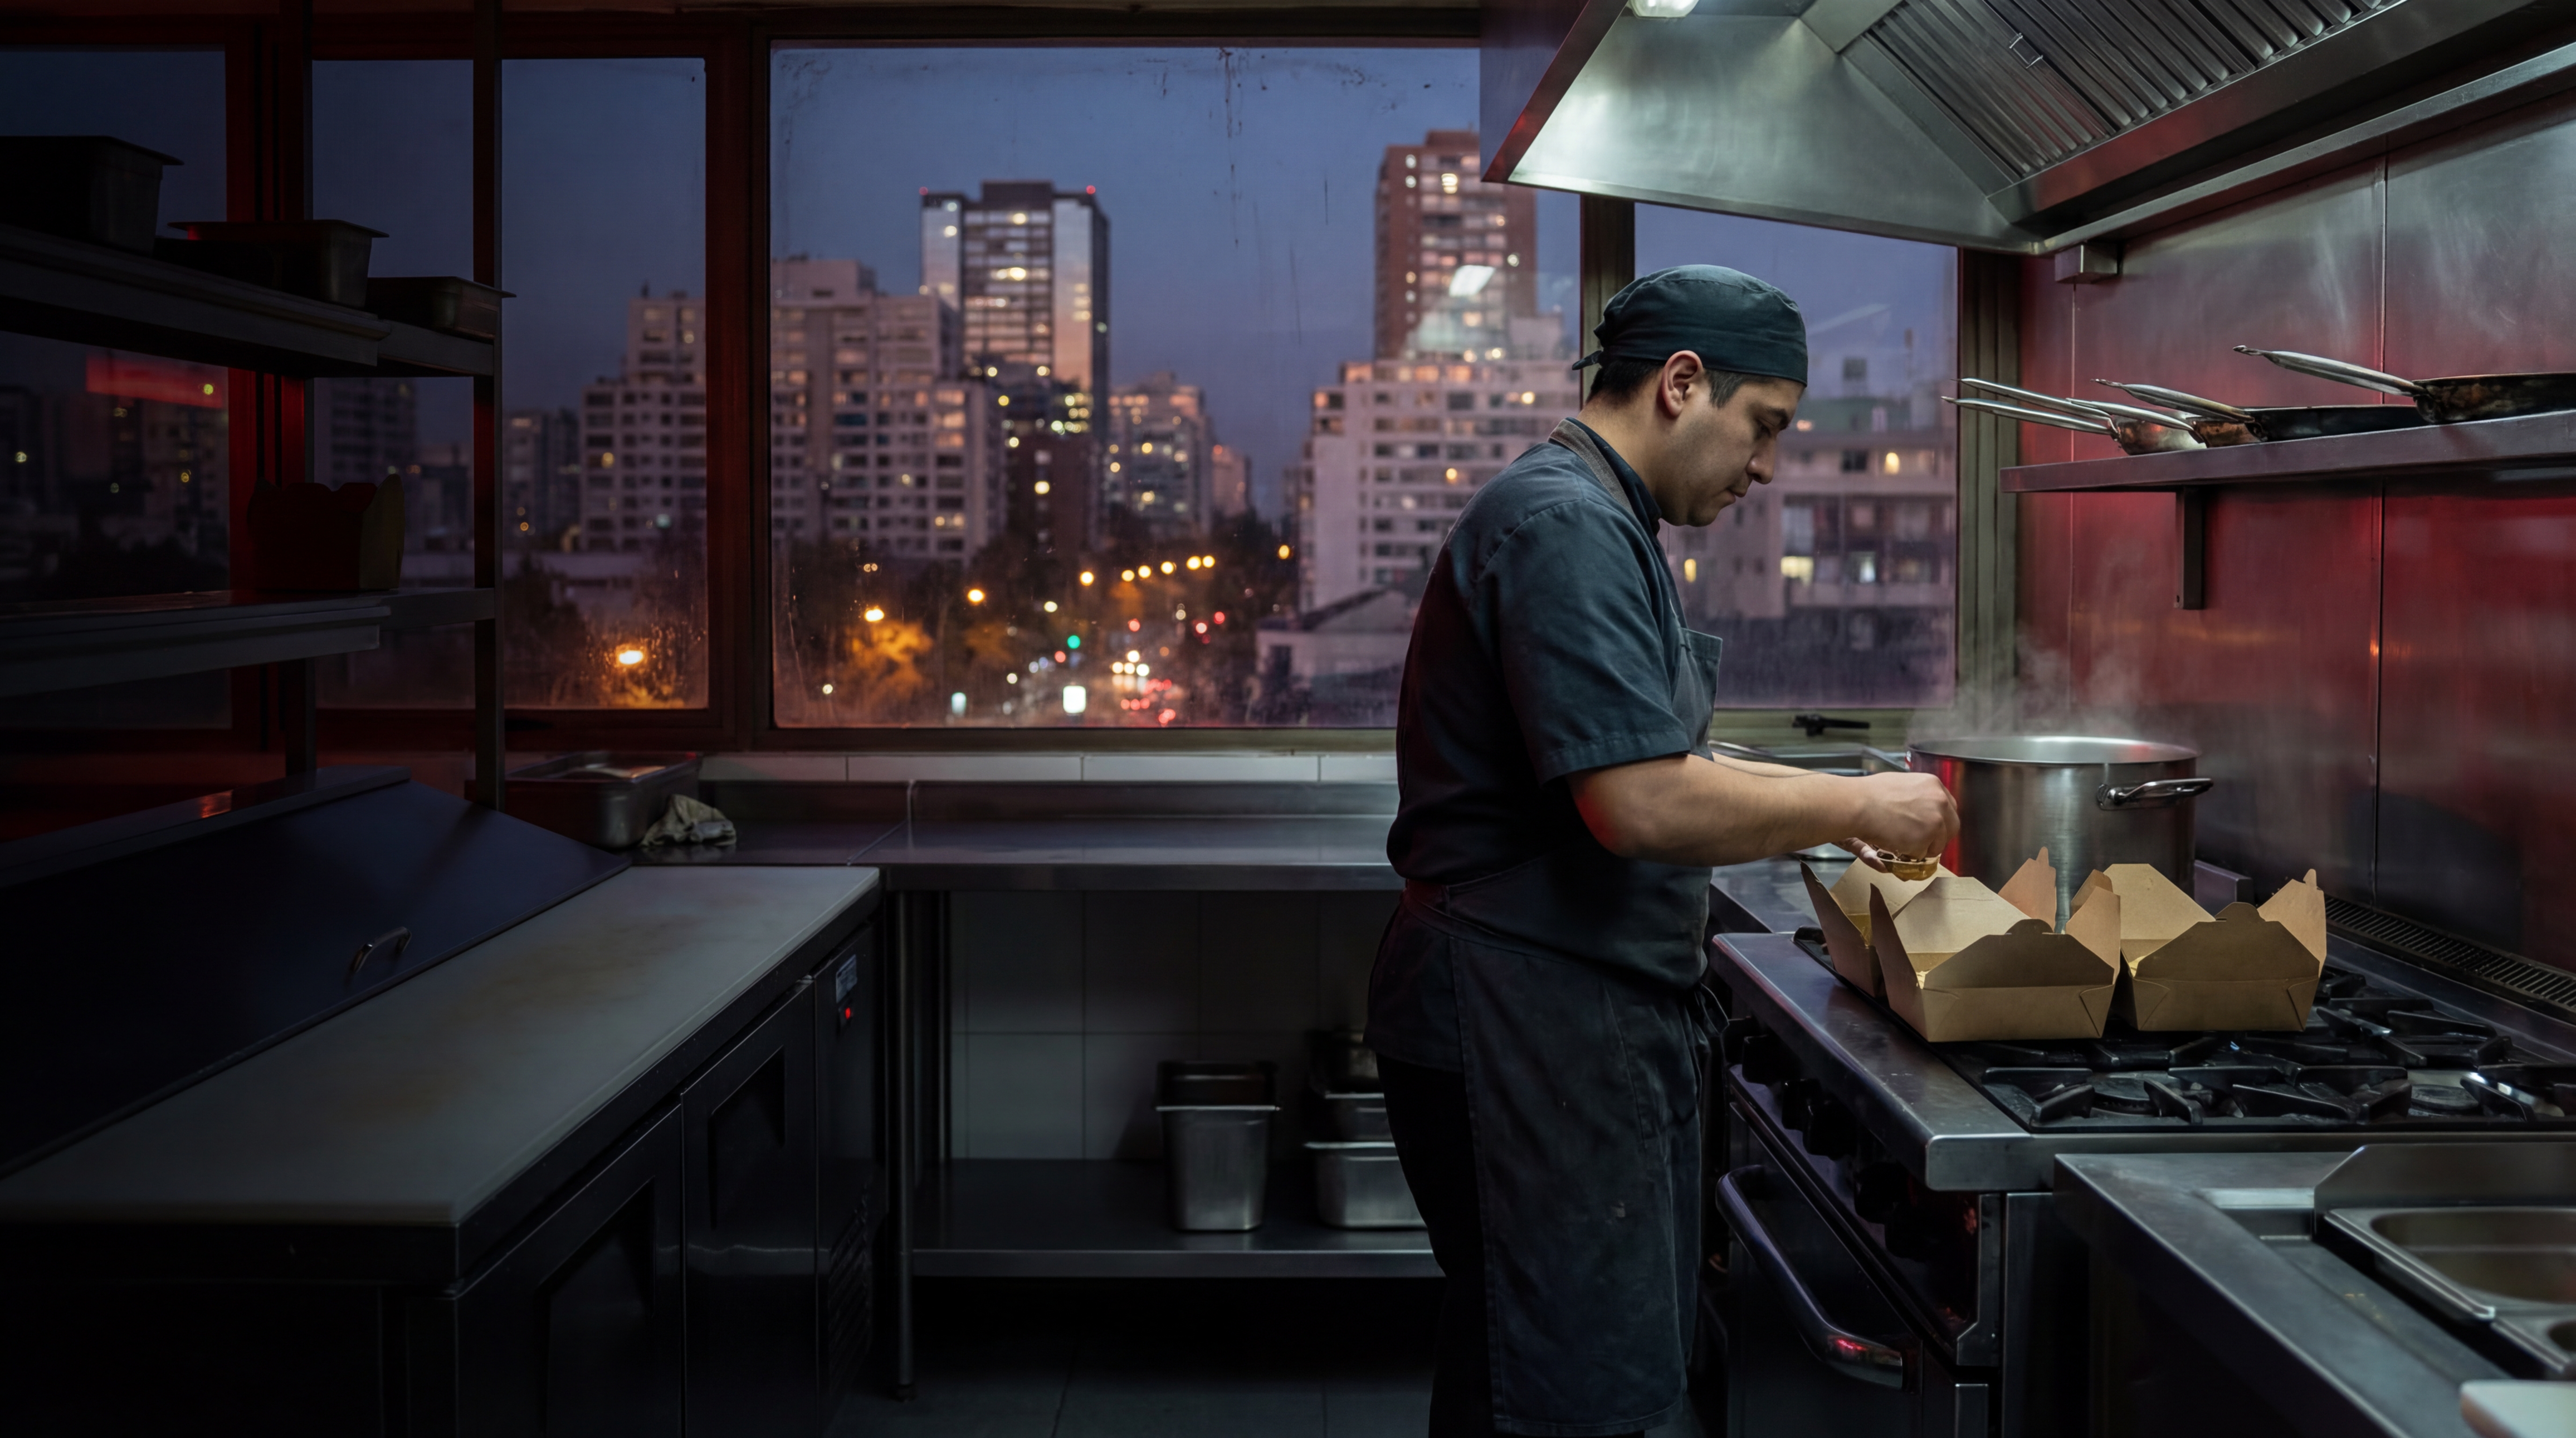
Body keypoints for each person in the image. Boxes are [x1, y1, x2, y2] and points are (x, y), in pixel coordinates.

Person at [1368, 264, 1960, 1437]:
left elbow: (1659, 754)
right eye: (1764, 426)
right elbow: (1637, 803)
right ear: (1682, 385)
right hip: (1526, 1018)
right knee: (1555, 1399)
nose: (1766, 467)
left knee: (1531, 1371)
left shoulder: (1602, 518)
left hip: (1557, 1013)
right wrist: (1852, 808)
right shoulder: (1566, 526)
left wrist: (1843, 801)